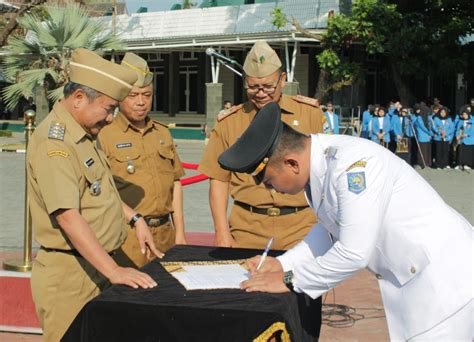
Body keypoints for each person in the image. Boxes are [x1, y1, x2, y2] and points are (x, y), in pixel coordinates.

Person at [218, 102, 473, 342]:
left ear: (291, 163)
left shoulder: (353, 167)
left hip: (445, 285)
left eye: (270, 181)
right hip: (418, 283)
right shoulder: (324, 162)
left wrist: (290, 280)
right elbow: (330, 231)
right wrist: (283, 264)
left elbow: (353, 252)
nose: (272, 191)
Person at [27, 48, 162, 342]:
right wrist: (114, 271)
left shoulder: (85, 134)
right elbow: (67, 215)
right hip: (71, 277)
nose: (112, 118)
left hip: (95, 266)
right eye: (108, 108)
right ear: (78, 98)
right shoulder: (57, 145)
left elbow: (101, 192)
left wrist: (135, 217)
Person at [198, 40, 326, 337]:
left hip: (300, 229)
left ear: (282, 79)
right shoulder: (230, 123)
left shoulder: (308, 115)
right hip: (248, 227)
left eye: (268, 86)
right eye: (253, 87)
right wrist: (221, 231)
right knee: (247, 309)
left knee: (303, 307)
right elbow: (218, 179)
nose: (261, 93)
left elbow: (322, 170)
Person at [98, 53, 186, 268]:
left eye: (146, 95)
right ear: (119, 97)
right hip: (127, 236)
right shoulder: (104, 135)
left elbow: (175, 183)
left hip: (165, 234)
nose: (141, 102)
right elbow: (101, 191)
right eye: (133, 95)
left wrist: (180, 233)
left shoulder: (162, 133)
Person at [413, 103, 432, 168]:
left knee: (427, 150)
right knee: (422, 150)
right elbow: (423, 127)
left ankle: (427, 163)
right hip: (422, 137)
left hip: (427, 137)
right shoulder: (419, 118)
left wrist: (431, 132)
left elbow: (431, 125)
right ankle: (421, 163)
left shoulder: (428, 118)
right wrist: (430, 133)